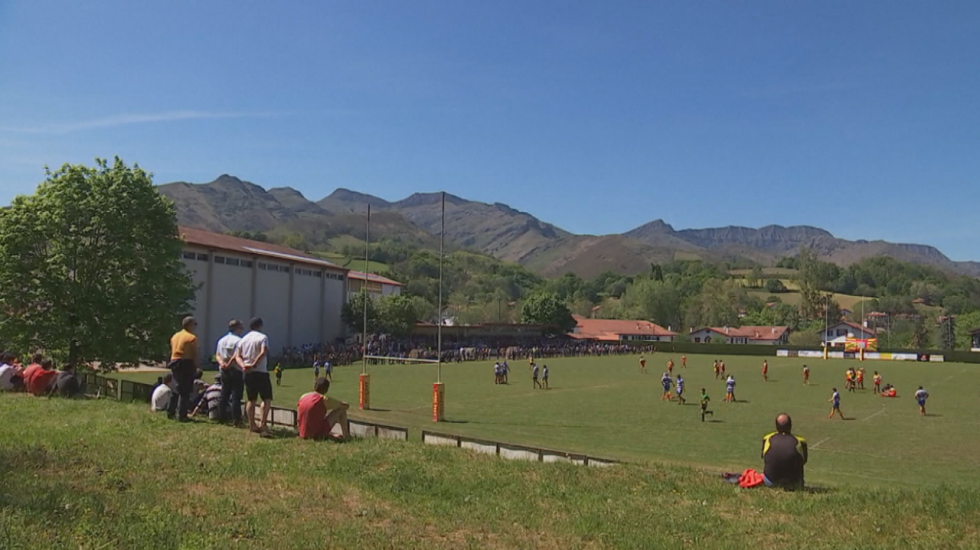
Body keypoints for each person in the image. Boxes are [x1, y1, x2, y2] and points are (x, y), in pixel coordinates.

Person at [235, 317, 273, 436]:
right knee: (266, 399)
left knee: (251, 399)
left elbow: (237, 356)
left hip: (248, 373)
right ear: (260, 326)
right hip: (261, 371)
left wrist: (244, 366)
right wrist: (254, 364)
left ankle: (252, 424)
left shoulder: (243, 340)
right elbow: (263, 352)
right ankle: (263, 423)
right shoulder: (262, 337)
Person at [761, 413, 808, 489]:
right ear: (790, 426)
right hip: (793, 484)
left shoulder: (767, 438)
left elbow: (764, 457)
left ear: (776, 426)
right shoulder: (800, 441)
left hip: (770, 482)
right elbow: (804, 460)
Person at [168, 316, 200, 421]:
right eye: (195, 324)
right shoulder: (191, 337)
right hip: (185, 362)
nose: (195, 326)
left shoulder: (175, 336)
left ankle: (170, 412)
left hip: (174, 361)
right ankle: (182, 415)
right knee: (185, 390)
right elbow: (194, 353)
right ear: (190, 325)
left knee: (175, 388)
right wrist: (196, 366)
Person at [216, 319, 245, 427]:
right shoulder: (239, 340)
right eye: (241, 328)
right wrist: (229, 363)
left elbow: (217, 354)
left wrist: (222, 363)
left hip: (224, 370)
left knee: (224, 394)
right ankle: (236, 420)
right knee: (236, 396)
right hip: (235, 369)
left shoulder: (221, 340)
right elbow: (237, 355)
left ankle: (221, 417)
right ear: (237, 328)